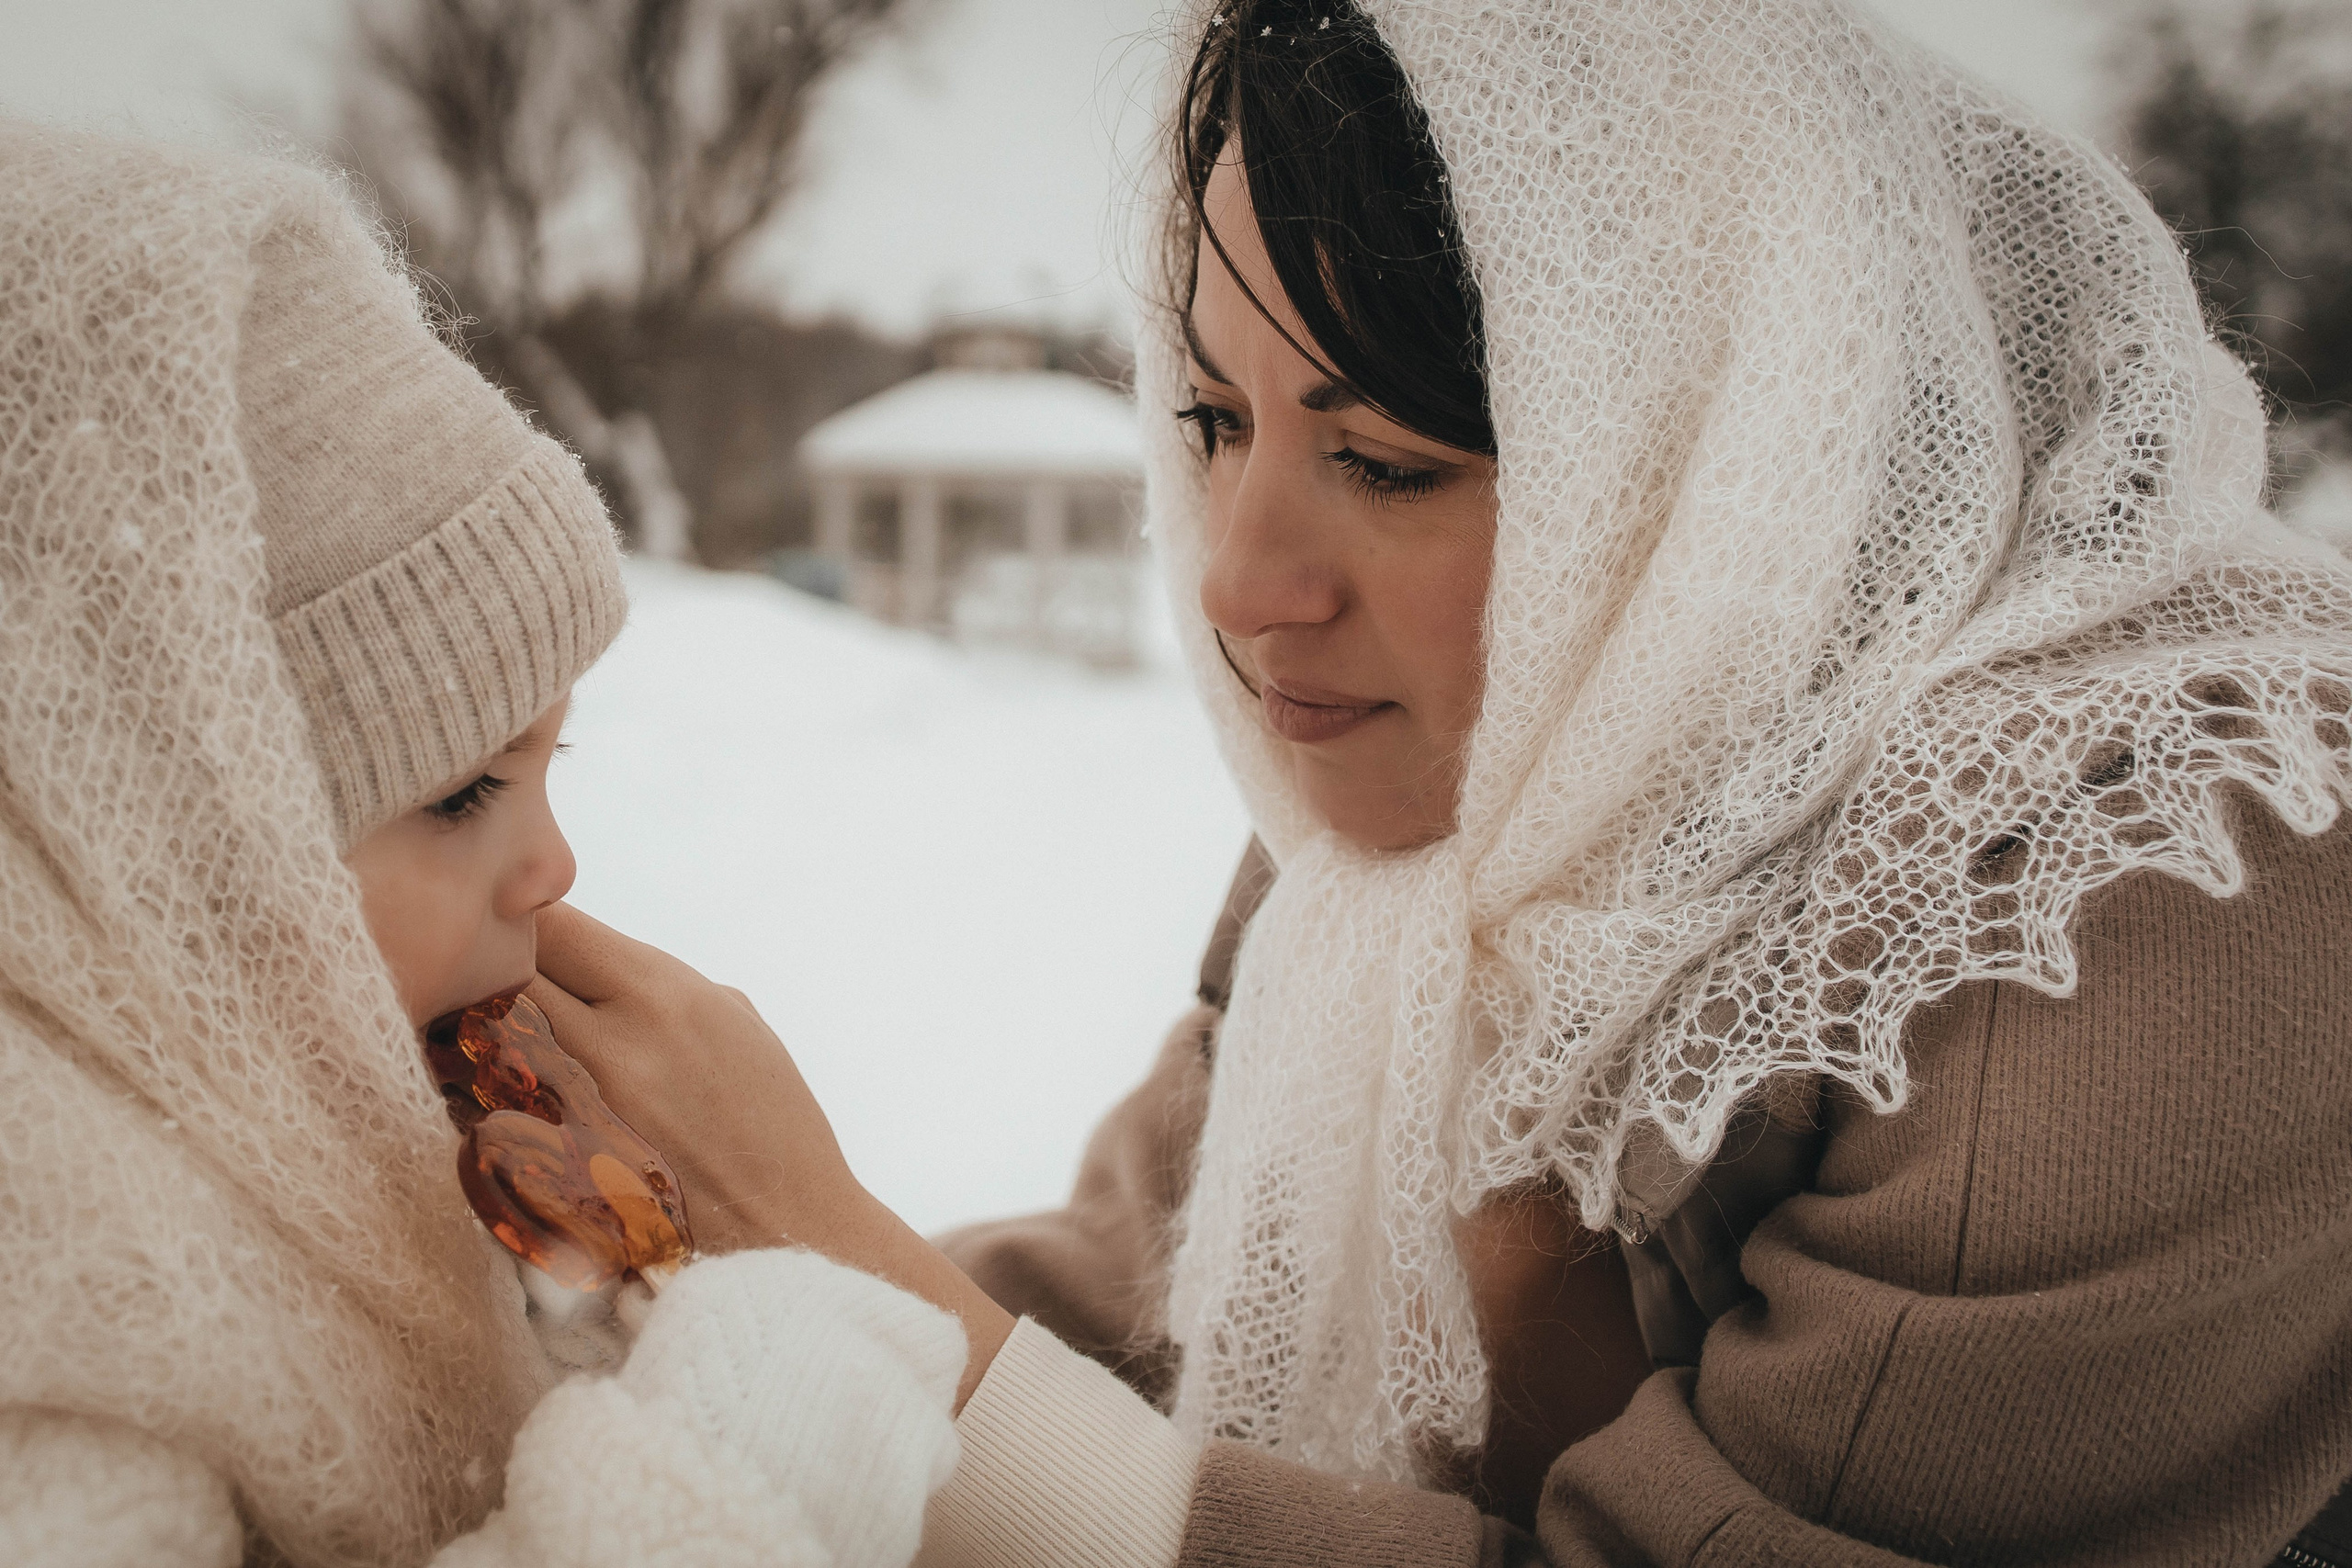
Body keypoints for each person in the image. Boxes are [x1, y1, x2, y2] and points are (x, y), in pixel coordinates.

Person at [532, 0, 2352, 1562]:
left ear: (1734, 457)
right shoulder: (1451, 813)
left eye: (1386, 457)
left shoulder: (2160, 889)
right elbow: (1149, 1300)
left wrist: (875, 1313)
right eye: (1213, 419)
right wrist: (629, 1265)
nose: (1242, 585)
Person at [0, 122, 976, 1568]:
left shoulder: (353, 1149)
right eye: (463, 794)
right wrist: (734, 1478)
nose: (554, 870)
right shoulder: (71, 1367)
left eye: (550, 761)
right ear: (144, 869)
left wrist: (597, 1311)